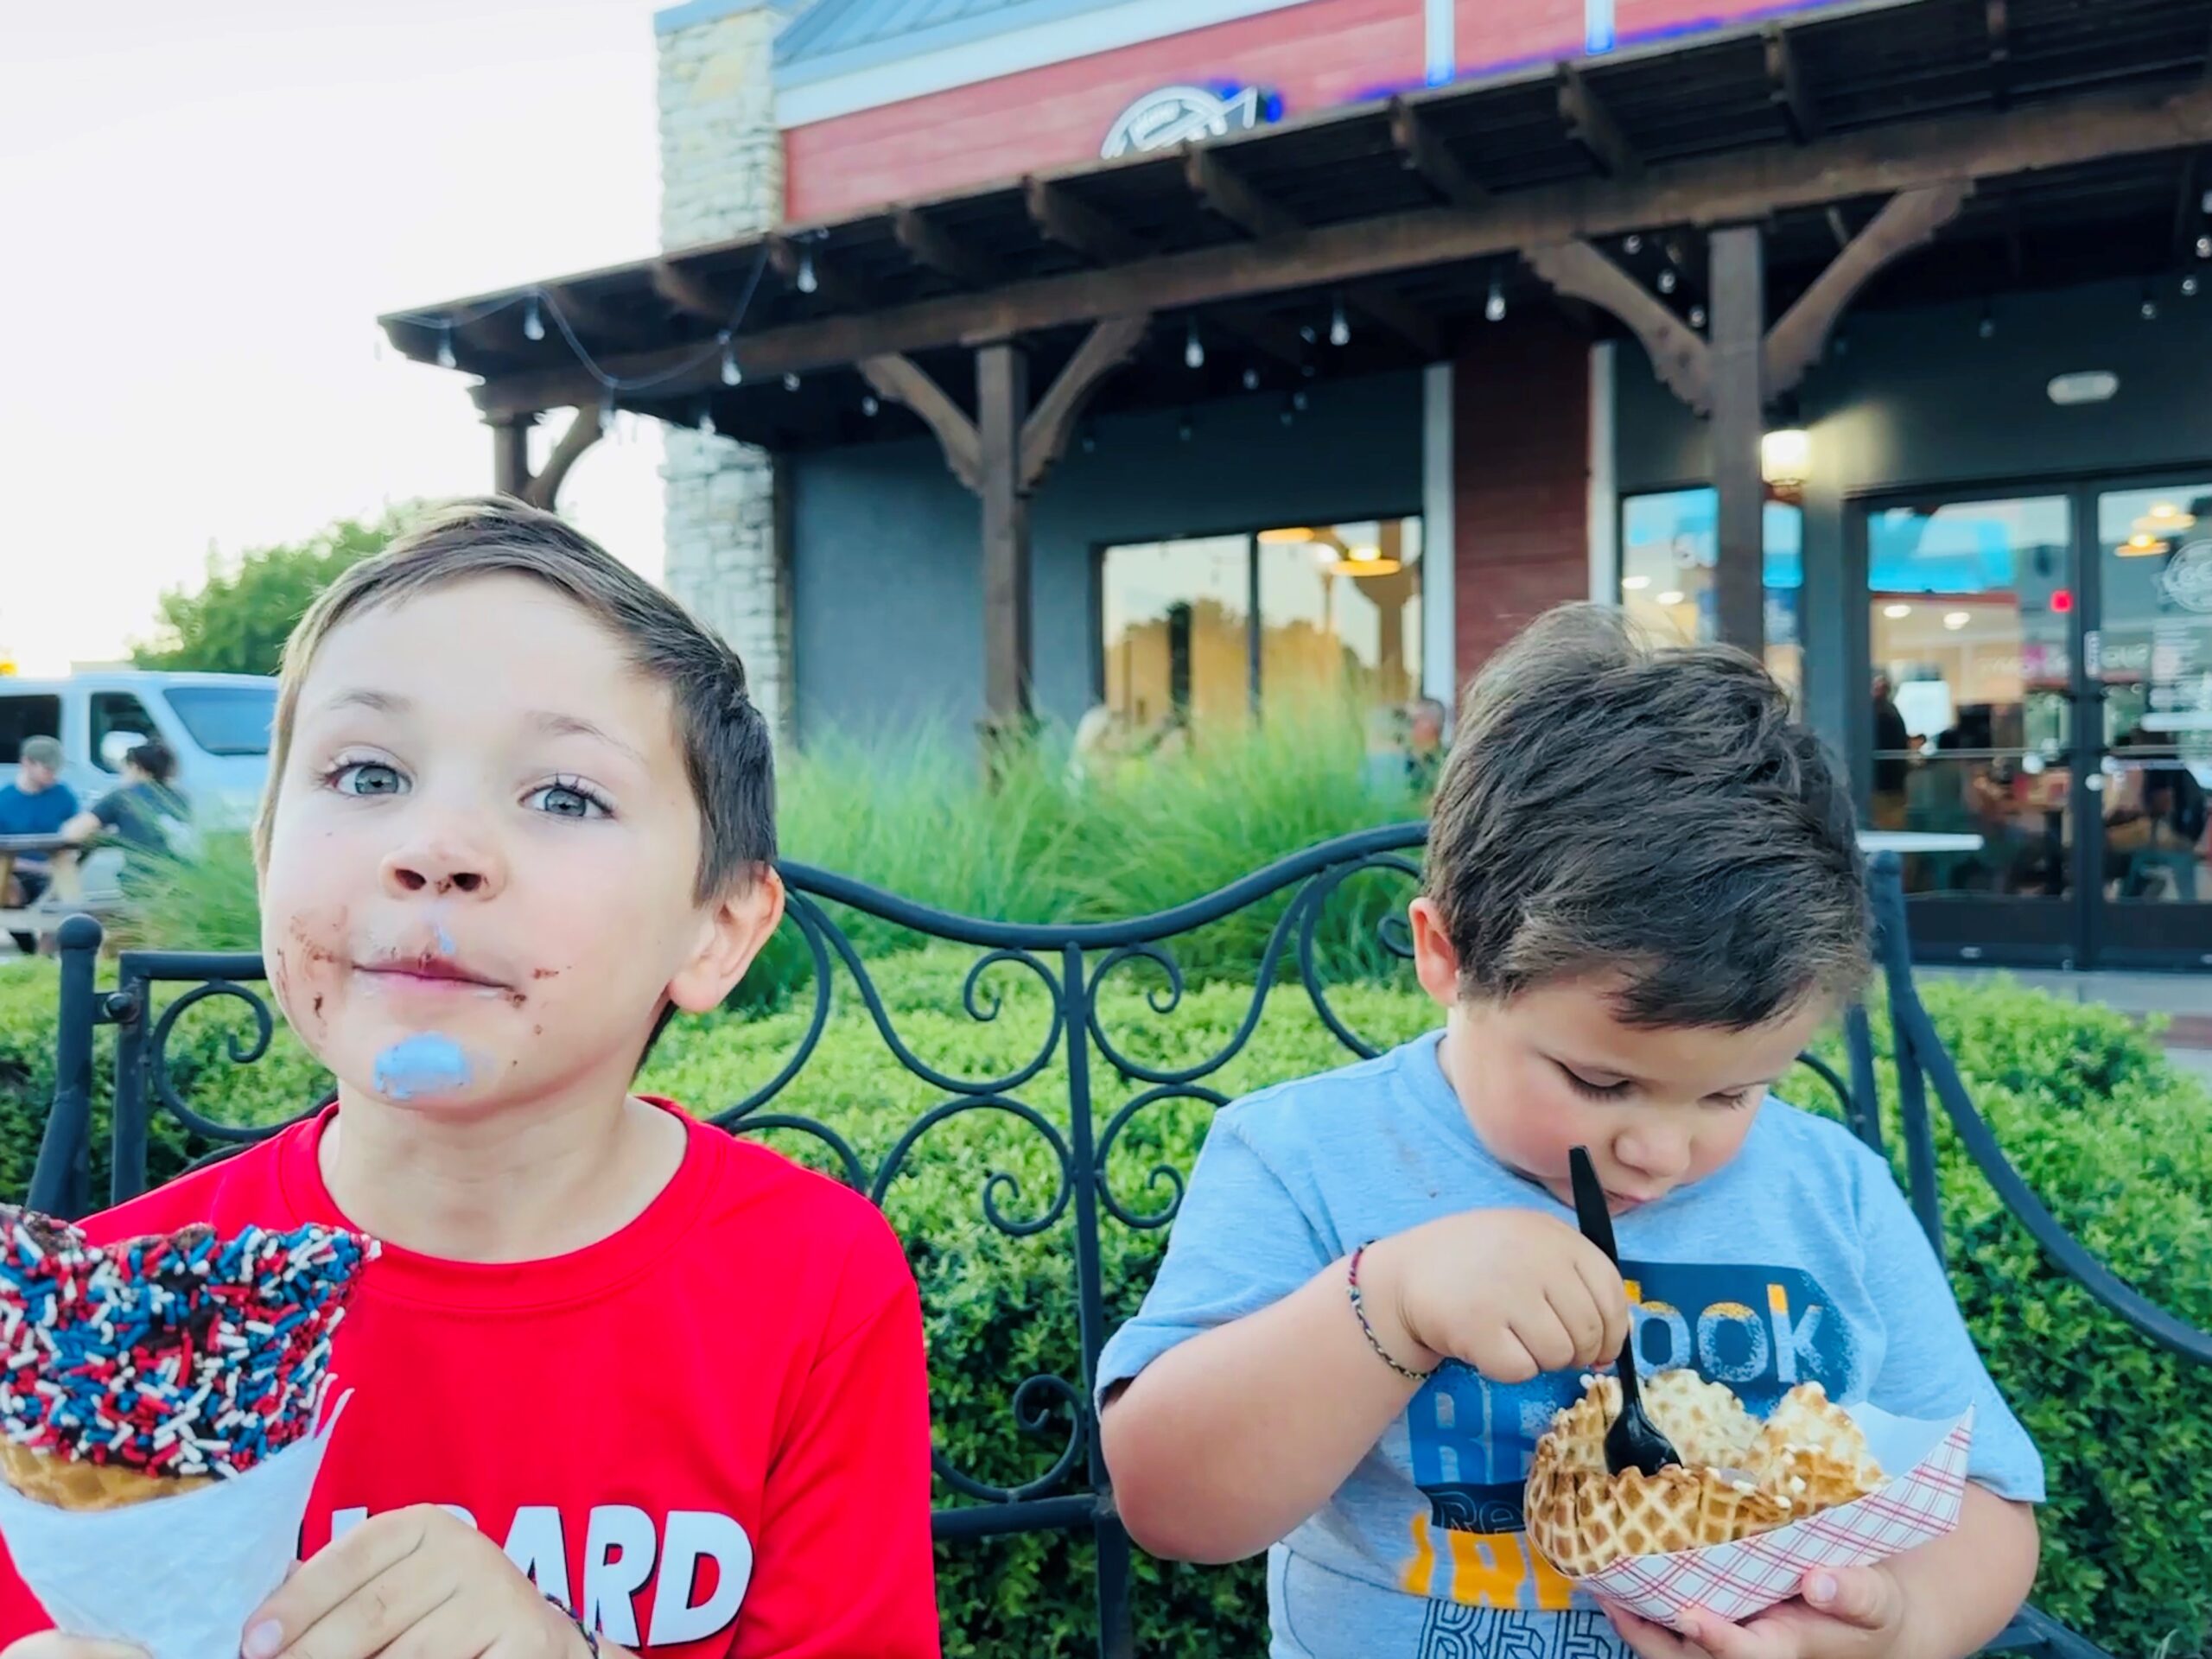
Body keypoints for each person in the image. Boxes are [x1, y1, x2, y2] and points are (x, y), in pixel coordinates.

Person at [0, 500, 940, 1659]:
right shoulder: (110, 1310)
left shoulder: (813, 1282)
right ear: (266, 856)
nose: (436, 848)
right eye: (365, 773)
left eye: (563, 796)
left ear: (718, 930)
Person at [1098, 606, 2041, 1659]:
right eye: (1600, 1081)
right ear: (1445, 953)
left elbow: (1986, 1504)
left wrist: (1889, 1628)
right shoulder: (1309, 1157)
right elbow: (1170, 1503)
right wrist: (1385, 1305)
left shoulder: (1830, 1190)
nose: (1661, 1151)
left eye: (1731, 1096)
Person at [60, 740, 186, 878]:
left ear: (136, 768)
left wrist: (104, 836)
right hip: (183, 881)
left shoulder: (123, 797)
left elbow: (74, 832)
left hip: (142, 883)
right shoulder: (180, 798)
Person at [0, 737, 78, 909]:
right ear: (27, 763)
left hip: (54, 872)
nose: (54, 775)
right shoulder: (4, 800)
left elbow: (75, 832)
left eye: (56, 769)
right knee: (9, 890)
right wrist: (38, 868)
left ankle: (56, 931)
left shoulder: (63, 795)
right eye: (48, 769)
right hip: (14, 871)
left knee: (62, 892)